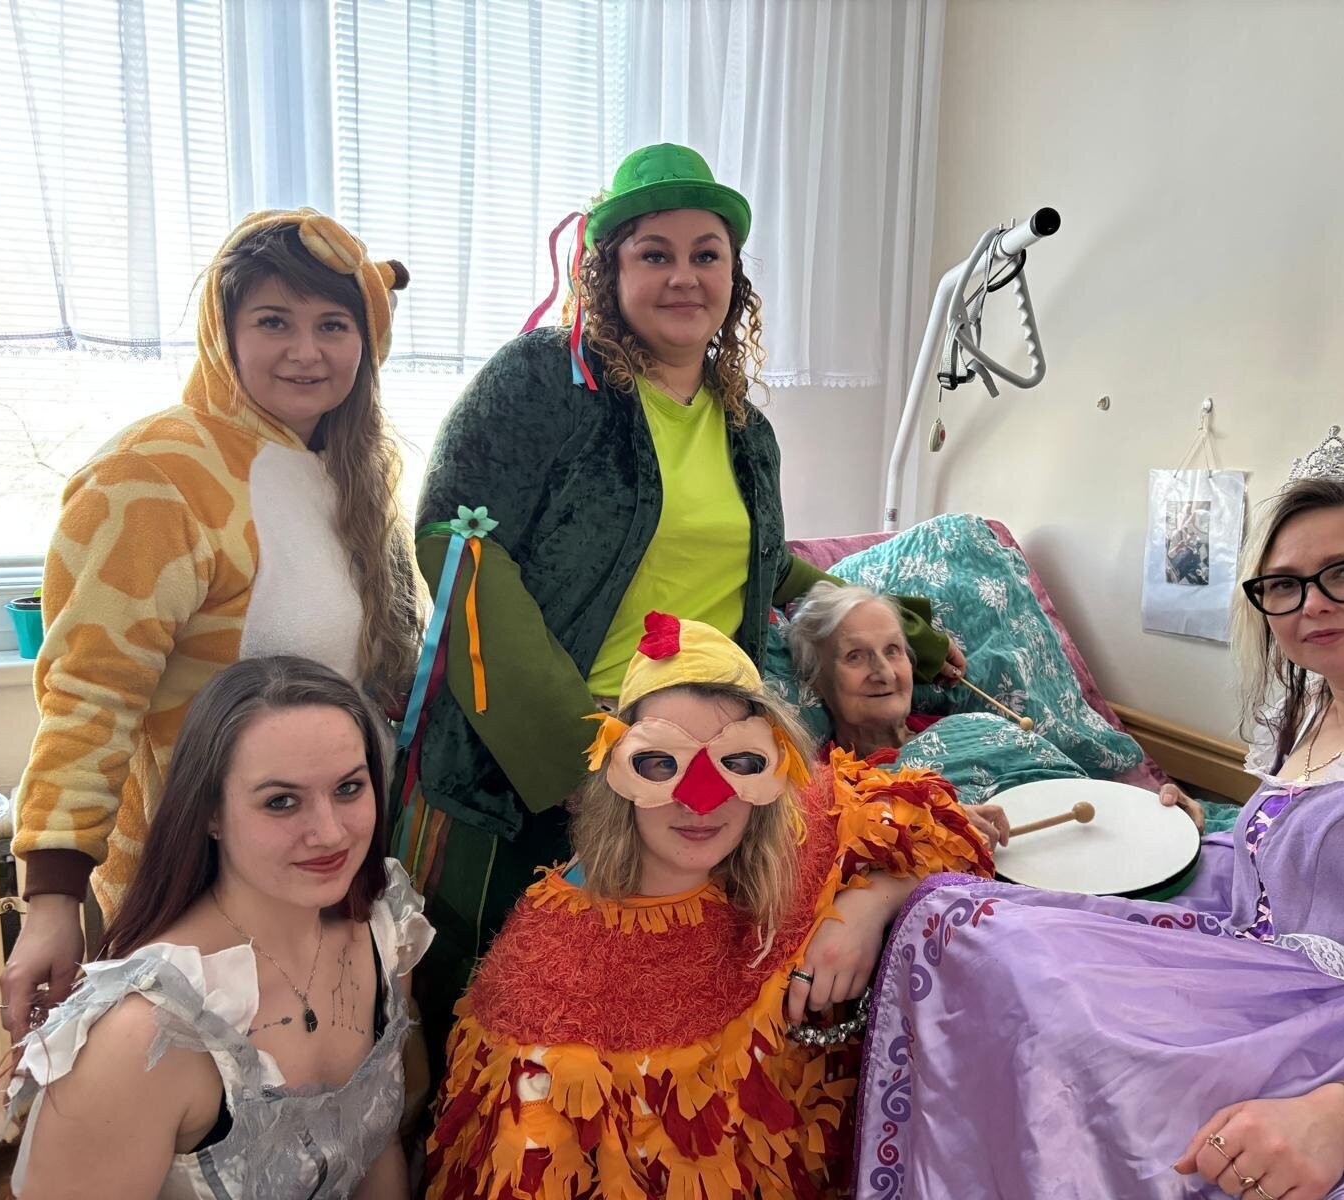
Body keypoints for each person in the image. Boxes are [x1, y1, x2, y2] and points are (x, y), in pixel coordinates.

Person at [852, 426, 1344, 1198]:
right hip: (1263, 990)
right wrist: (1211, 831)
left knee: (1073, 1029)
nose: (1313, 603)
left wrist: (1343, 1118)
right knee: (986, 942)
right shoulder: (1310, 718)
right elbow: (1320, 869)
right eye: (1284, 585)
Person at [396, 143, 963, 1058]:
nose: (683, 275)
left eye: (707, 254)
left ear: (734, 279)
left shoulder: (747, 431)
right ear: (607, 268)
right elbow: (458, 544)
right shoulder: (542, 383)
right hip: (539, 767)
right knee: (506, 1032)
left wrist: (906, 635)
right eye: (654, 253)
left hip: (700, 769)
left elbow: (770, 567)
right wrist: (576, 749)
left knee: (655, 1031)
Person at [1, 210, 420, 1042]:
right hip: (200, 879)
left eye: (333, 324)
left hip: (327, 852)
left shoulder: (347, 471)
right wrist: (51, 901)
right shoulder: (154, 474)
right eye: (274, 321)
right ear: (221, 332)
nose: (306, 351)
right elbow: (89, 693)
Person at [421, 613, 991, 1198]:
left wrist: (870, 907)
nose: (701, 800)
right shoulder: (548, 988)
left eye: (738, 761)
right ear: (616, 770)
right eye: (659, 762)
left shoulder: (795, 827)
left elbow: (938, 828)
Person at [8, 656, 433, 1199]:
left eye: (348, 788)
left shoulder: (383, 935)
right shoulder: (142, 1037)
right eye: (281, 802)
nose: (329, 833)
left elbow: (377, 1149)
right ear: (210, 813)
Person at [785, 583, 1203, 849]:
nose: (883, 671)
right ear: (816, 680)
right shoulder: (827, 787)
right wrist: (931, 820)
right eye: (855, 656)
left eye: (893, 651)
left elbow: (1078, 793)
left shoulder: (968, 727)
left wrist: (1152, 810)